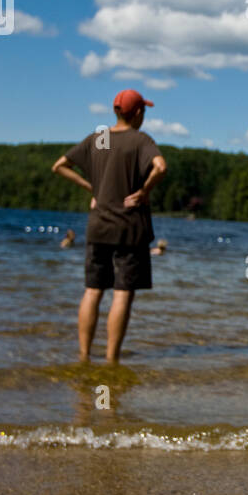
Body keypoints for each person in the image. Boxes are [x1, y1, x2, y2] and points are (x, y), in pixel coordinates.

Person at [51, 90, 166, 362]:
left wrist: (91, 186)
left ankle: (83, 356)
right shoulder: (140, 140)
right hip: (130, 229)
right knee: (122, 293)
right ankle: (111, 360)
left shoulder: (100, 137)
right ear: (137, 113)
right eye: (144, 111)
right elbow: (160, 167)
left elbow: (59, 166)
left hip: (98, 226)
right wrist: (144, 191)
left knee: (93, 290)